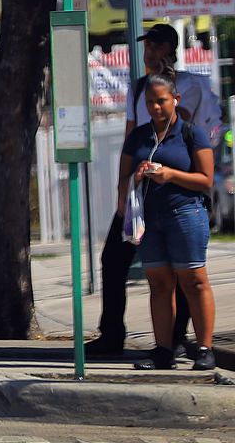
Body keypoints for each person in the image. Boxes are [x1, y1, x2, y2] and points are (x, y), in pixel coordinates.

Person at [85, 23, 221, 357]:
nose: (146, 54)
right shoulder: (139, 87)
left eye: (151, 48)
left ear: (165, 48)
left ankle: (180, 338)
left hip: (182, 191)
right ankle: (112, 332)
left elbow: (203, 129)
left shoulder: (193, 85)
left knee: (185, 271)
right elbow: (132, 135)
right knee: (116, 259)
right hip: (143, 194)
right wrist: (123, 187)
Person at [118, 67, 216, 370]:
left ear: (175, 99)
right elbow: (122, 180)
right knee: (159, 284)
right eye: (149, 102)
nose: (155, 108)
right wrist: (136, 177)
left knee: (194, 281)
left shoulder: (190, 133)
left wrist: (170, 174)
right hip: (150, 218)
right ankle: (163, 350)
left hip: (186, 213)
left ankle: (204, 349)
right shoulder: (139, 137)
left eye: (161, 101)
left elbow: (205, 179)